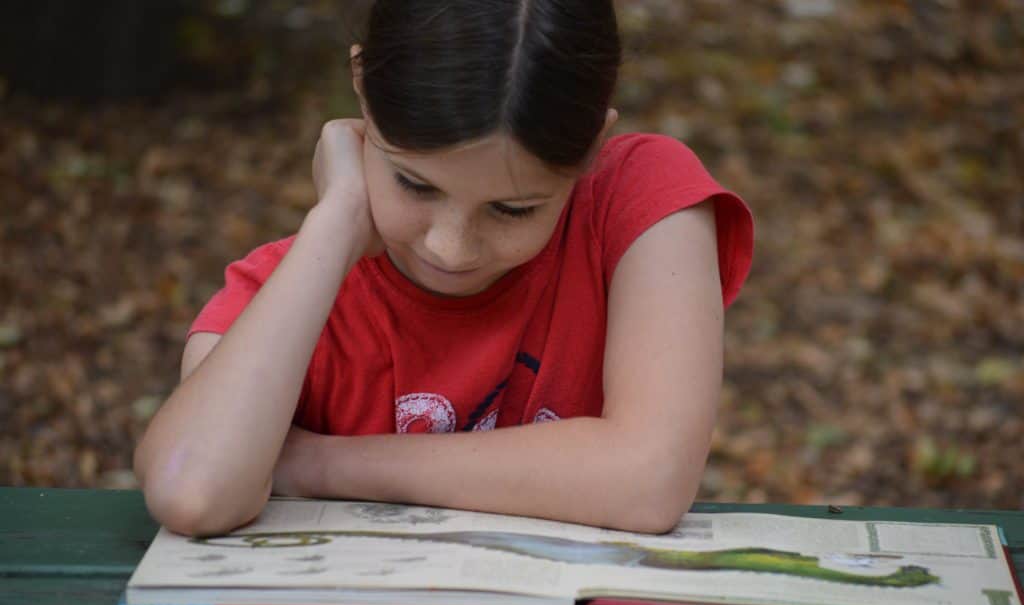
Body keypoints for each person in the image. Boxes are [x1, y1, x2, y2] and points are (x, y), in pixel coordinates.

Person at [133, 0, 754, 538]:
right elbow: (192, 490)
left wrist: (314, 465)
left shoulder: (637, 201)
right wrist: (338, 217)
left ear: (593, 142)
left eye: (513, 209)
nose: (451, 249)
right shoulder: (293, 291)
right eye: (414, 184)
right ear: (362, 85)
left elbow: (649, 480)